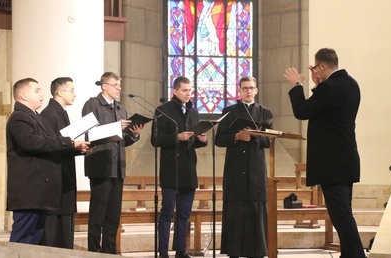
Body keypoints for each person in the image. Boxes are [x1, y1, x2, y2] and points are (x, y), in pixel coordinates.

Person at [283, 48, 366, 258]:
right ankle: (348, 254)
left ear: (320, 67)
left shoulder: (329, 88)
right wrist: (318, 85)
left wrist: (297, 85)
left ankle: (357, 255)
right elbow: (329, 112)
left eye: (314, 67)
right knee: (343, 213)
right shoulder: (351, 84)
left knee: (341, 216)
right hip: (346, 160)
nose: (313, 71)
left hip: (332, 163)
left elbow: (302, 111)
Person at [6, 78, 90, 245]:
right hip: (29, 191)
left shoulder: (36, 117)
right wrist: (68, 143)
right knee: (22, 239)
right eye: (36, 90)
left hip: (39, 192)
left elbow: (51, 143)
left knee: (35, 240)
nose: (42, 94)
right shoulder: (19, 118)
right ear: (23, 95)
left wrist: (75, 148)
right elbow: (31, 142)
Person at [82, 72, 144, 254]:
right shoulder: (92, 104)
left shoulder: (121, 108)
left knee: (113, 215)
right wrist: (116, 127)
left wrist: (133, 134)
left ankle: (110, 250)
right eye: (115, 85)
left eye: (120, 84)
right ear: (104, 86)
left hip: (118, 167)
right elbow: (90, 134)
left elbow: (122, 139)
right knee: (98, 214)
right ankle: (94, 251)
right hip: (100, 165)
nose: (119, 88)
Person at [214, 76, 272, 258]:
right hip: (235, 170)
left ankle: (256, 252)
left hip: (256, 169)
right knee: (236, 211)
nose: (248, 91)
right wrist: (237, 137)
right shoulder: (229, 111)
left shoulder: (265, 113)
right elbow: (218, 139)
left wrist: (256, 135)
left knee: (256, 210)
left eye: (251, 88)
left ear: (256, 90)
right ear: (239, 90)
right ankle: (234, 251)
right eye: (245, 88)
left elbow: (269, 141)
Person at [151, 76, 208, 258]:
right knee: (167, 212)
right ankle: (162, 252)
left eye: (190, 90)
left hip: (188, 169)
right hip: (170, 169)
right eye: (184, 90)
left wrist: (201, 141)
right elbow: (155, 139)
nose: (188, 93)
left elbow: (193, 142)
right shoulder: (163, 111)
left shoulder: (194, 113)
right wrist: (177, 137)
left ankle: (181, 251)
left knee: (184, 214)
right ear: (174, 91)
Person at [40, 77, 81, 249]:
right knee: (54, 233)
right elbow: (51, 144)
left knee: (65, 227)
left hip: (64, 176)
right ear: (59, 92)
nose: (75, 94)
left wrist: (80, 148)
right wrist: (73, 145)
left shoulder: (61, 112)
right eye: (71, 90)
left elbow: (64, 143)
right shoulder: (49, 113)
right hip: (56, 179)